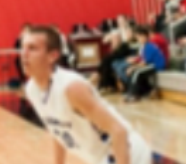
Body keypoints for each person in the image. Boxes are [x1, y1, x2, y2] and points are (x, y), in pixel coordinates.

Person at [22, 26, 152, 164]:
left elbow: (119, 131)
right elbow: (57, 131)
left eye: (32, 48)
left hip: (127, 152)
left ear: (52, 56)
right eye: (23, 47)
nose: (24, 53)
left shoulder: (71, 88)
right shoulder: (32, 89)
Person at [124, 26, 166, 103]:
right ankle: (131, 93)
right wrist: (133, 65)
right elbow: (142, 59)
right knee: (135, 71)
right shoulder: (144, 46)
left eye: (140, 37)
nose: (138, 39)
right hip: (150, 65)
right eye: (137, 37)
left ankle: (134, 95)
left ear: (145, 37)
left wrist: (133, 67)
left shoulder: (150, 46)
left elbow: (145, 62)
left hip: (156, 65)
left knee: (137, 72)